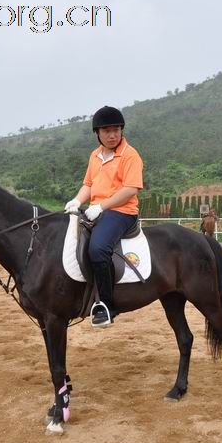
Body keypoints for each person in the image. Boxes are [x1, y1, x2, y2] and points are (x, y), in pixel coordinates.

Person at [64, 106, 143, 327]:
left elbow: (130, 189)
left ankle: (107, 305)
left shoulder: (130, 155)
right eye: (106, 130)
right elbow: (88, 184)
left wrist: (101, 207)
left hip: (121, 212)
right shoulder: (95, 156)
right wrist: (77, 201)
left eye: (116, 130)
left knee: (98, 248)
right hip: (96, 210)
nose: (112, 135)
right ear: (97, 133)